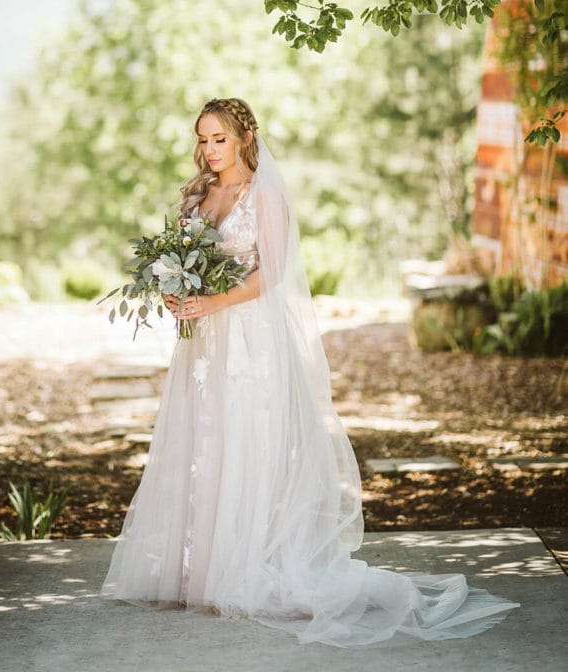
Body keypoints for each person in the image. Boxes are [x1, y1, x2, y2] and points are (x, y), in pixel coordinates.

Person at [101, 97, 518, 647]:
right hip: (203, 345)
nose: (209, 150)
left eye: (219, 139)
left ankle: (244, 568)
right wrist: (179, 292)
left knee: (243, 442)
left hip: (248, 341)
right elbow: (187, 258)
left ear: (245, 137)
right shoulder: (198, 194)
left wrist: (213, 301)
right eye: (203, 139)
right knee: (202, 442)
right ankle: (198, 572)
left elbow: (270, 274)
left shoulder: (266, 197)